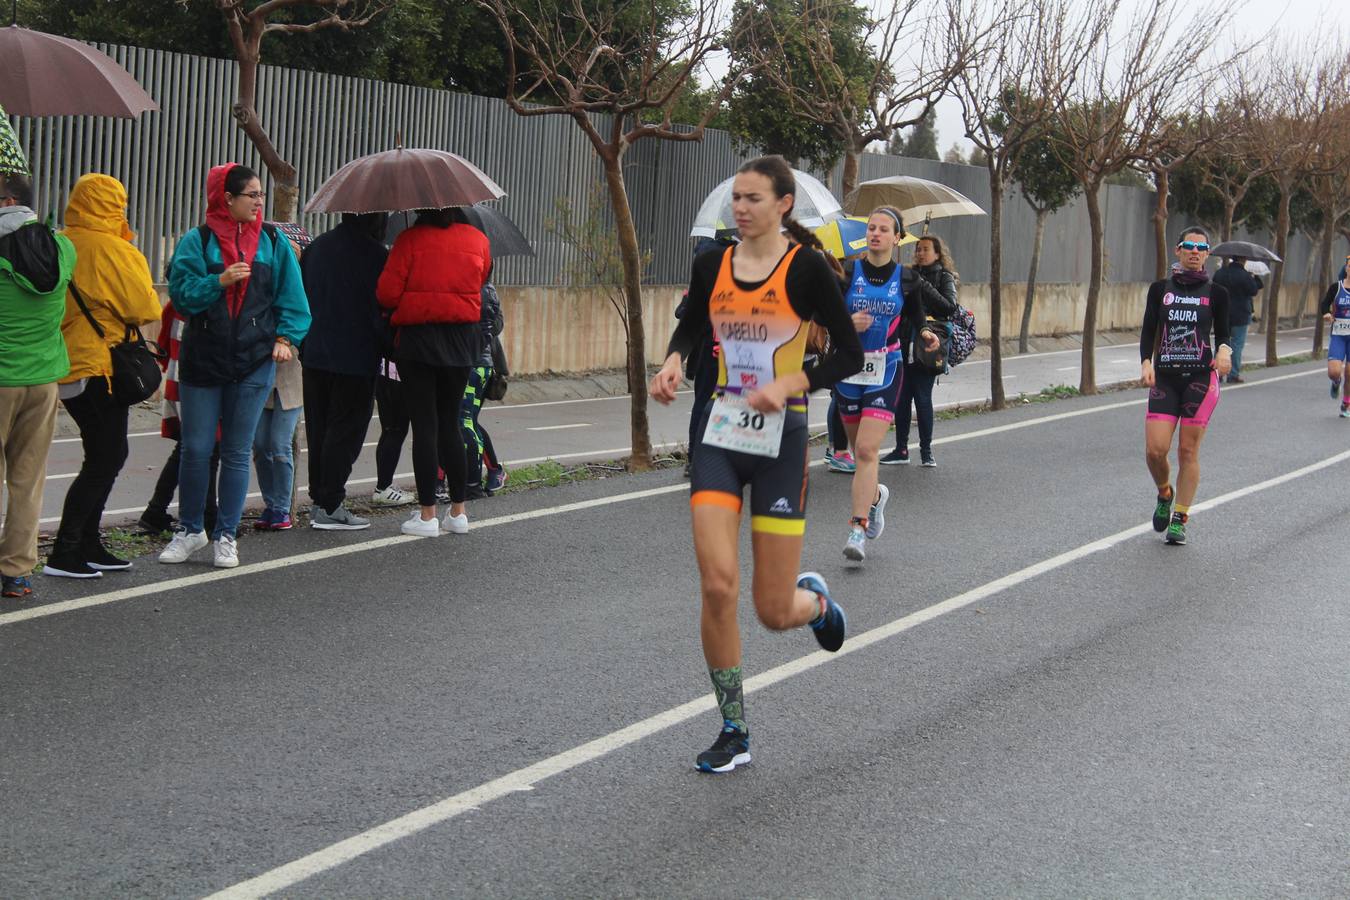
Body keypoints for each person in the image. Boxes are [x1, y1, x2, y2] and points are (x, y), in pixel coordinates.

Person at [650, 155, 863, 773]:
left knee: (773, 612)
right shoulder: (711, 262)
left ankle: (816, 604)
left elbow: (849, 352)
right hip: (721, 432)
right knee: (717, 585)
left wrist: (792, 378)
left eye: (752, 198)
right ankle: (734, 728)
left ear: (783, 204)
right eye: (735, 198)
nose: (738, 208)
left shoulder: (807, 272)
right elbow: (691, 325)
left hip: (782, 438)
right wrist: (671, 361)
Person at [158, 163, 310, 568]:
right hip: (202, 361)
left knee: (239, 453)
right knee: (196, 450)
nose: (260, 202)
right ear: (226, 198)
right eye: (252, 195)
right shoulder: (197, 241)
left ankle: (226, 535)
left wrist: (285, 339)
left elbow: (294, 302)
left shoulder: (274, 242)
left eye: (261, 195)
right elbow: (182, 298)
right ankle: (191, 529)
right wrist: (219, 281)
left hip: (253, 363)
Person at [43, 174, 162, 578]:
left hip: (69, 361)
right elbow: (144, 307)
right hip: (103, 365)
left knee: (104, 454)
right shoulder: (114, 249)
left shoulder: (61, 242)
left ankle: (88, 544)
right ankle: (66, 551)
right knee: (106, 457)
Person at [834, 208, 939, 563]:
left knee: (865, 451)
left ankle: (857, 528)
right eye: (871, 228)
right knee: (858, 452)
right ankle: (875, 497)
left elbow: (916, 314)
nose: (876, 233)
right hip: (848, 368)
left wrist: (925, 331)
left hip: (886, 366)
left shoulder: (906, 278)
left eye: (884, 229)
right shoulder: (848, 272)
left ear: (897, 238)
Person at [377, 207, 490, 537]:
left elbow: (386, 293)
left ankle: (427, 516)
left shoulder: (409, 239)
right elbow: (481, 280)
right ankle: (458, 513)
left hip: (419, 343)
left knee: (424, 426)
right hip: (462, 341)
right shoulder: (478, 239)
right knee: (451, 423)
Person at [0, 171, 74, 599]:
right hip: (43, 379)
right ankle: (15, 572)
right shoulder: (63, 248)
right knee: (28, 478)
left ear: (8, 202)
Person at [1140, 226, 1231, 546]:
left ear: (1208, 254)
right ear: (1177, 250)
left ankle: (1179, 518)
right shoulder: (1160, 289)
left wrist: (1223, 351)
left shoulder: (1217, 292)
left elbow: (1224, 333)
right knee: (1155, 451)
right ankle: (1165, 493)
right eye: (1188, 246)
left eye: (1201, 247)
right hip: (1165, 377)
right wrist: (1146, 361)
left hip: (1200, 380)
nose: (1194, 251)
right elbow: (1149, 326)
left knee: (1188, 450)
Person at [300, 212, 390, 528]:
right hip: (356, 357)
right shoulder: (378, 255)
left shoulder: (317, 247)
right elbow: (386, 305)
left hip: (313, 353)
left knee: (319, 428)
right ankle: (331, 503)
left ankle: (319, 499)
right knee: (346, 430)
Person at [138, 299, 219, 535]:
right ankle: (207, 516)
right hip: (198, 380)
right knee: (208, 449)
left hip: (177, 377)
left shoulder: (174, 304)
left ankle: (156, 511)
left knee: (189, 448)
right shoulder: (202, 301)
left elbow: (163, 346)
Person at [883, 234, 960, 467]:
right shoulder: (907, 275)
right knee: (902, 398)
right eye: (918, 249)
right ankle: (901, 449)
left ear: (937, 254)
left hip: (928, 345)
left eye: (926, 249)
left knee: (923, 398)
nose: (920, 253)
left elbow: (949, 306)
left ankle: (926, 451)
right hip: (904, 341)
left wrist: (923, 286)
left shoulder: (944, 276)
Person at [461, 280, 505, 499]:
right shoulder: (487, 289)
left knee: (464, 421)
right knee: (464, 421)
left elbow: (496, 325)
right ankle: (488, 473)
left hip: (475, 363)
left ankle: (476, 480)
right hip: (470, 362)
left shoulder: (485, 290)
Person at [251, 352, 303, 530]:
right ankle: (271, 504)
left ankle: (281, 509)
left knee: (280, 445)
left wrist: (286, 340)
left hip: (290, 378)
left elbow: (299, 325)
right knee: (259, 445)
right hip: (259, 377)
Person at [1211, 255, 1261, 383]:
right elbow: (1254, 290)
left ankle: (1217, 373)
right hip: (1241, 314)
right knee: (1237, 345)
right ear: (1244, 260)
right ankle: (1233, 374)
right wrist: (1254, 277)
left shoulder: (1220, 273)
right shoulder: (1245, 275)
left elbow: (1213, 288)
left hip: (1221, 313)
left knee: (1221, 343)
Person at [1318, 253, 1350, 417]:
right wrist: (1327, 314)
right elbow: (1324, 304)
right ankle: (1336, 383)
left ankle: (1346, 403)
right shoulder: (1336, 287)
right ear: (1346, 268)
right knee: (1334, 372)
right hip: (1339, 335)